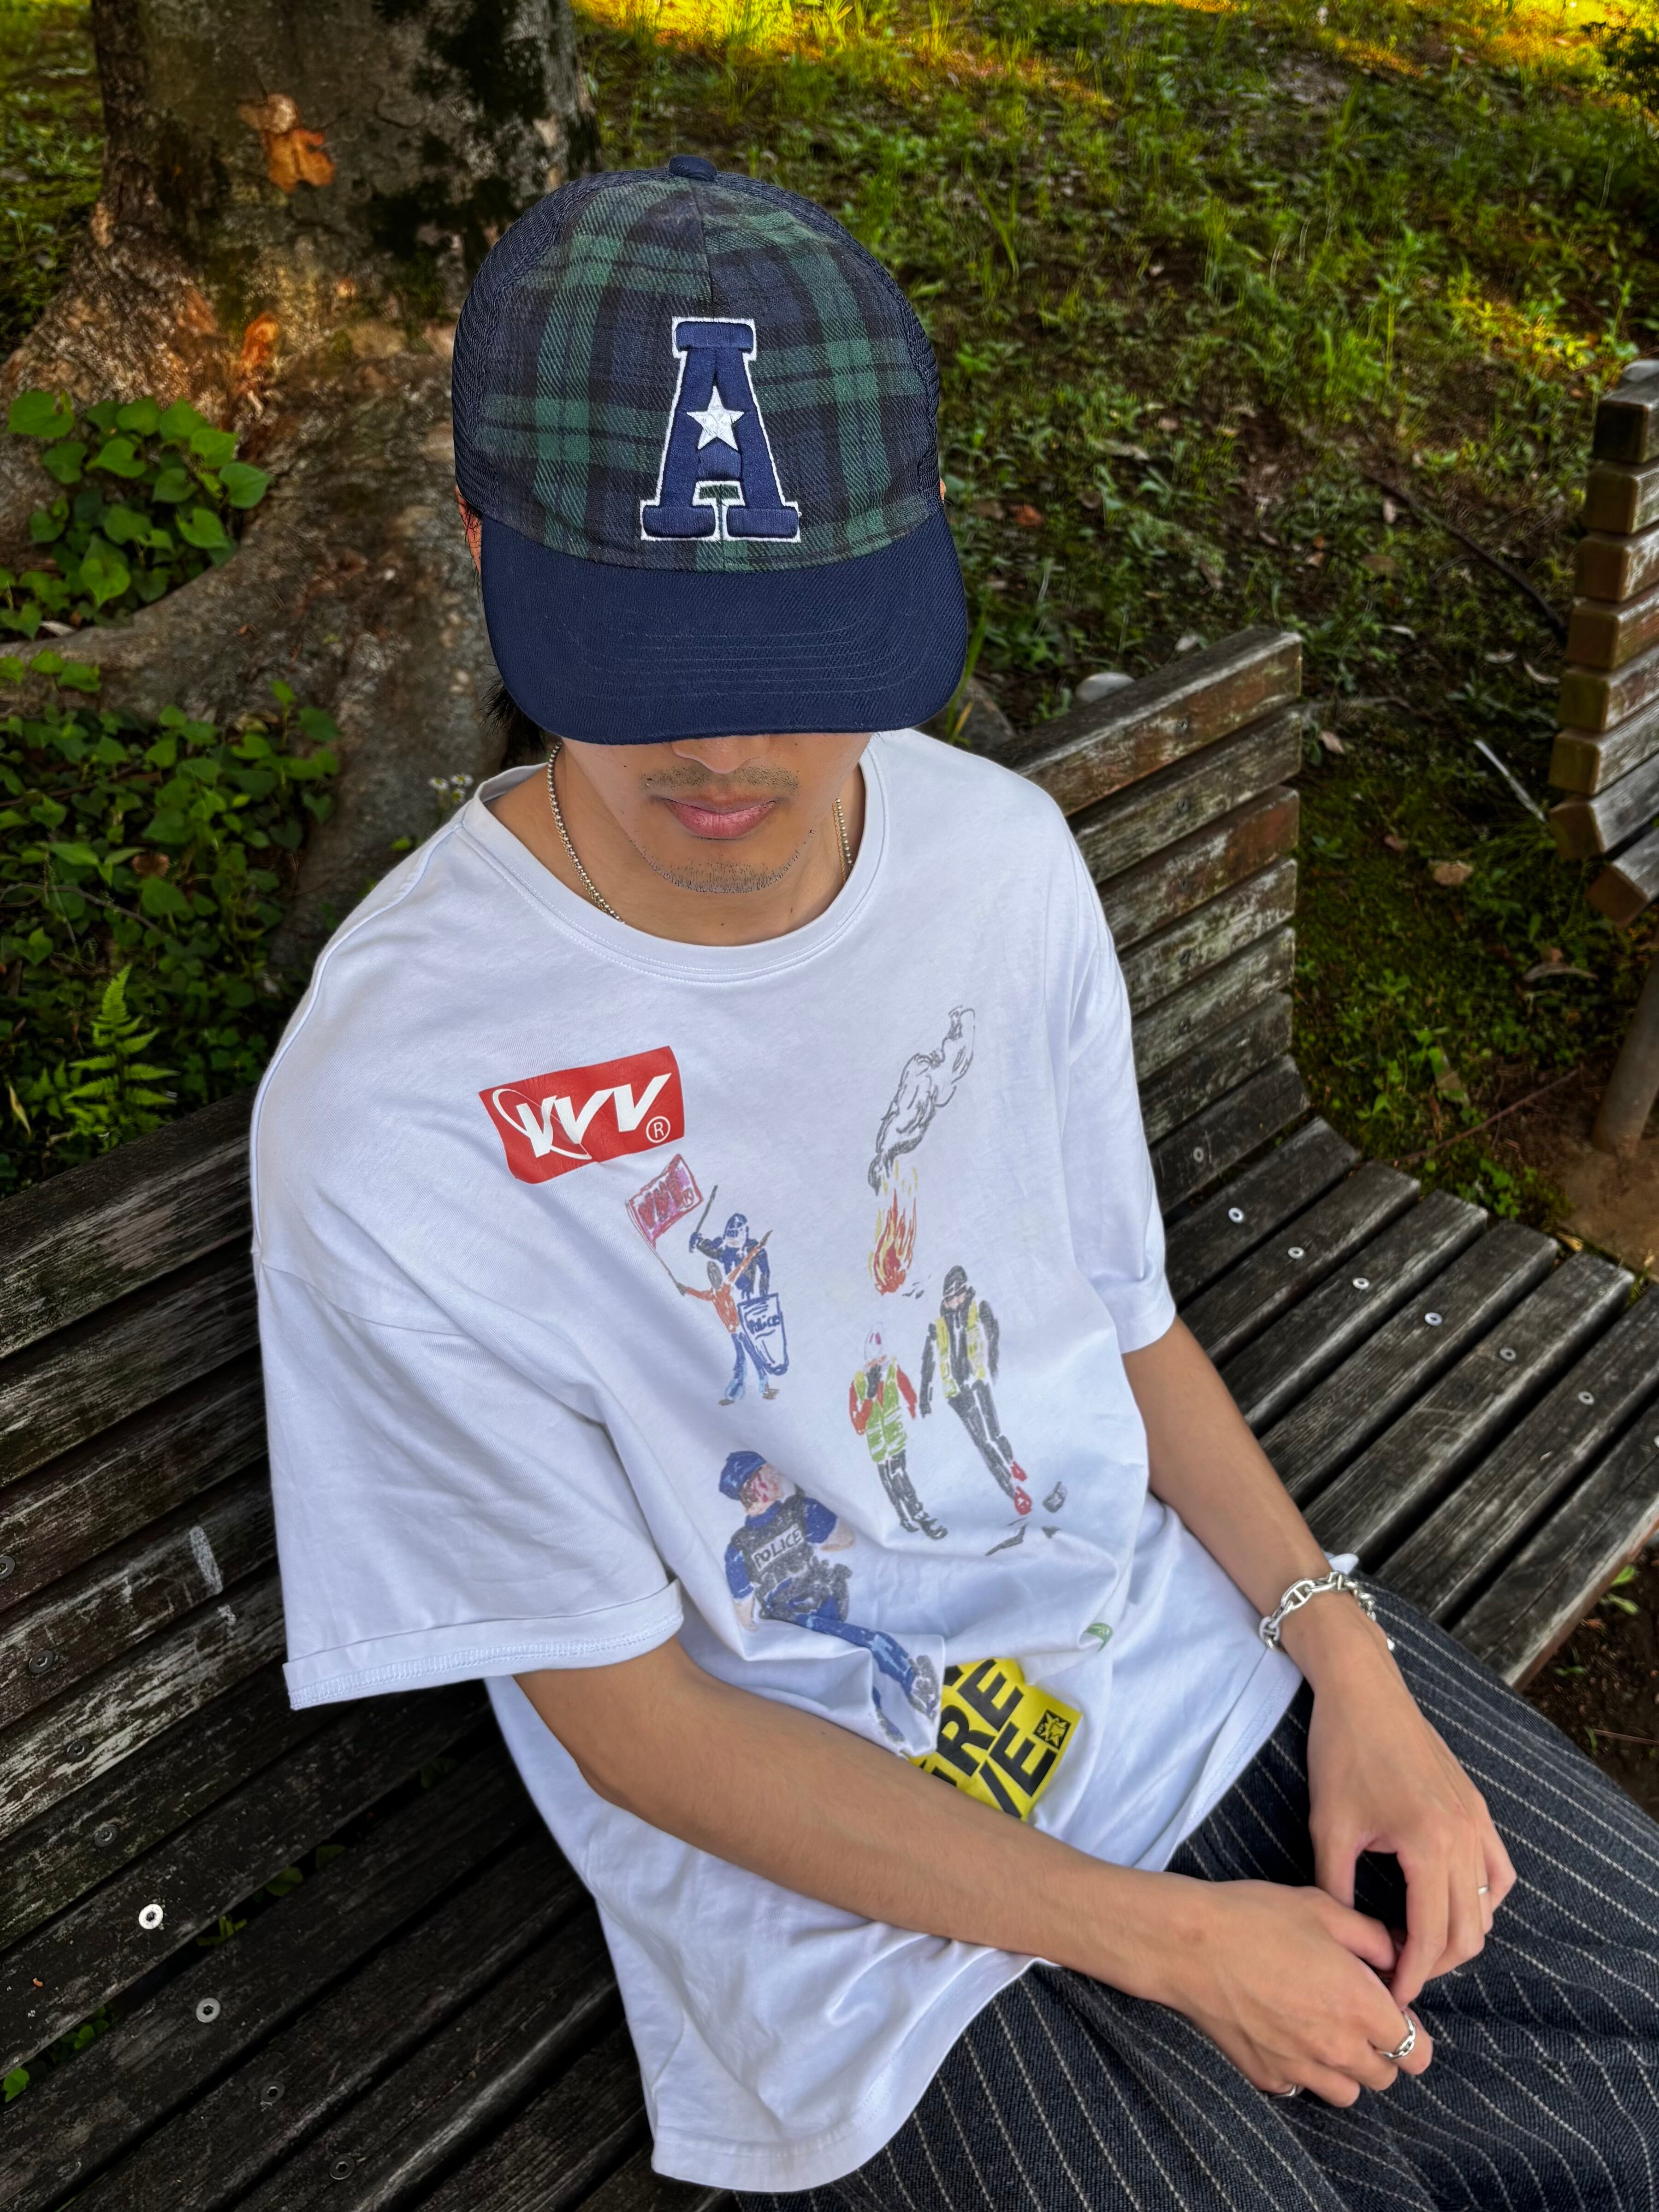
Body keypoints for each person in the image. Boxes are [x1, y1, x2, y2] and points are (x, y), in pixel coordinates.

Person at [254, 154, 1659, 2211]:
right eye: (643, 654)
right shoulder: (396, 1101)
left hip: (1181, 1667)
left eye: (799, 643)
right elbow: (638, 1726)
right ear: (482, 548)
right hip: (859, 1924)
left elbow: (1119, 1320)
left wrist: (1349, 1664)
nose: (727, 746)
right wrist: (1171, 1943)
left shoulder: (994, 861)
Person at [919, 1261, 1033, 1519]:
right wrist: (924, 1397)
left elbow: (993, 1333)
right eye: (950, 1297)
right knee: (983, 1443)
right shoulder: (937, 1326)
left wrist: (992, 1362)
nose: (955, 1301)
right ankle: (1013, 1491)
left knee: (994, 1432)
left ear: (965, 1291)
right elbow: (928, 1362)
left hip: (977, 1381)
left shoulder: (977, 1308)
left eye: (959, 1295)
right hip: (957, 1393)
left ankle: (1011, 1461)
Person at [848, 1327, 945, 1539]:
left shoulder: (892, 1370)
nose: (878, 1366)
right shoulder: (858, 1385)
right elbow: (859, 1426)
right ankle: (902, 1518)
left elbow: (909, 1392)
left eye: (881, 1359)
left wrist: (915, 1413)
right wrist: (869, 1397)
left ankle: (920, 1517)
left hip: (895, 1439)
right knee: (890, 1485)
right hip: (878, 1447)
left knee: (899, 1475)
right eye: (873, 1362)